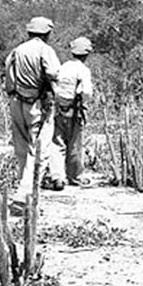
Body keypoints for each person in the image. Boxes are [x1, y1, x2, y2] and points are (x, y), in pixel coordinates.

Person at [5, 16, 63, 202]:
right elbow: (54, 74)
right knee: (39, 149)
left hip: (16, 102)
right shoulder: (45, 50)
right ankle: (25, 194)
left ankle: (24, 186)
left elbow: (8, 76)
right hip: (36, 104)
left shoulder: (17, 50)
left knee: (21, 147)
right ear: (47, 33)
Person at [52, 37, 94, 187]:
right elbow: (87, 92)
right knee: (75, 144)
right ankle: (75, 176)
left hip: (57, 109)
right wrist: (82, 102)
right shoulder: (83, 70)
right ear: (86, 54)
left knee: (57, 143)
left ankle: (57, 176)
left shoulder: (63, 67)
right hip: (74, 110)